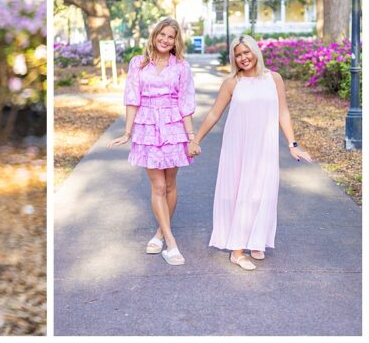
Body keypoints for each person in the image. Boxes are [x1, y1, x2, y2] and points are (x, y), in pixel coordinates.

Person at [189, 35, 312, 271]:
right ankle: (237, 251)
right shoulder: (232, 83)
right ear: (234, 58)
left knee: (263, 191)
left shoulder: (273, 79)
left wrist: (292, 144)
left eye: (246, 52)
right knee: (242, 191)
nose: (243, 58)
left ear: (256, 51)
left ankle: (257, 239)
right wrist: (196, 139)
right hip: (239, 146)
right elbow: (215, 113)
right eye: (238, 54)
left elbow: (282, 112)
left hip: (265, 146)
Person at [108, 18, 196, 266]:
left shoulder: (180, 66)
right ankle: (171, 242)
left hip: (174, 127)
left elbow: (185, 104)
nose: (166, 40)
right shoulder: (139, 63)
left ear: (176, 41)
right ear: (155, 35)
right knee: (157, 186)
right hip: (147, 126)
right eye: (162, 35)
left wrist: (191, 138)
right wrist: (127, 132)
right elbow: (132, 99)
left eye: (171, 37)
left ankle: (159, 233)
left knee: (170, 185)